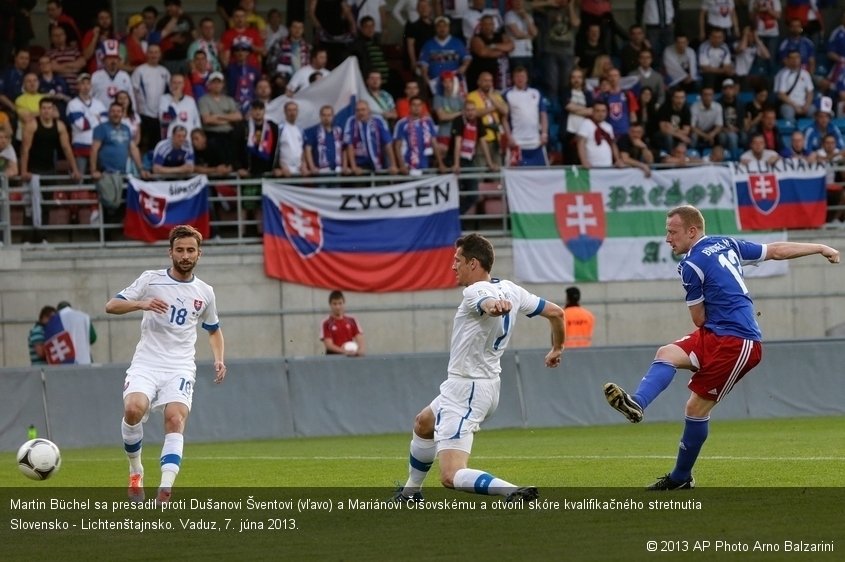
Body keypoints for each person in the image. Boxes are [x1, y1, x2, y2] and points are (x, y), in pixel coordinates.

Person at [603, 205, 840, 489]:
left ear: (692, 231)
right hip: (716, 333)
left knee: (696, 408)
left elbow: (698, 317)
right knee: (666, 353)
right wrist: (819, 247)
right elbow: (775, 250)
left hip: (737, 341)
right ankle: (637, 404)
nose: (668, 238)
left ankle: (680, 478)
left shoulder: (690, 265)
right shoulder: (725, 243)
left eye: (672, 232)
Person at [393, 233, 565, 503]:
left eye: (457, 260)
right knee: (424, 423)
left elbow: (484, 301)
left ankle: (513, 492)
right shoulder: (512, 289)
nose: (453, 266)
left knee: (450, 475)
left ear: (473, 263)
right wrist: (557, 348)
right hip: (485, 386)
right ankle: (410, 493)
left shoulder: (475, 290)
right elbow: (557, 313)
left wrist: (494, 307)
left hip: (466, 390)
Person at [106, 224, 226, 503]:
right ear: (170, 252)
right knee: (133, 409)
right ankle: (136, 472)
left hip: (180, 366)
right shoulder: (151, 280)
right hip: (146, 362)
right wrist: (142, 304)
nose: (185, 255)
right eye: (180, 250)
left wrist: (219, 359)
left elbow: (214, 329)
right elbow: (111, 306)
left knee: (175, 418)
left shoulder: (205, 291)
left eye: (191, 250)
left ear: (199, 254)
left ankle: (165, 489)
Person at [320, 290, 365, 356]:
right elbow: (329, 345)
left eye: (340, 303)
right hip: (333, 358)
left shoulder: (352, 320)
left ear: (344, 303)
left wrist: (360, 351)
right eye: (334, 304)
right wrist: (344, 351)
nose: (338, 307)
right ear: (330, 305)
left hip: (349, 358)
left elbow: (360, 340)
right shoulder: (326, 323)